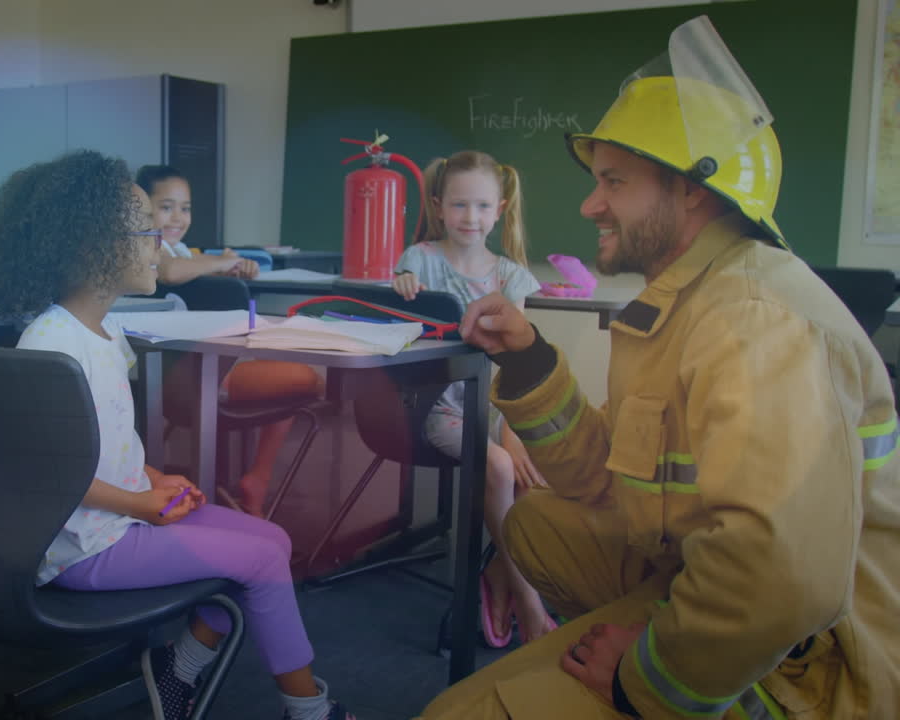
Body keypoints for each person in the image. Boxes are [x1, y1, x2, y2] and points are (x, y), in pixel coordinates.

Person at [420, 16, 900, 719]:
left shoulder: (754, 323)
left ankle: (675, 668)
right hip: (716, 582)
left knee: (456, 715)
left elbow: (783, 582)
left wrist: (638, 678)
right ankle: (665, 631)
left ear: (693, 191)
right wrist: (526, 360)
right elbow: (595, 474)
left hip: (816, 663)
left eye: (613, 180)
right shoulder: (683, 303)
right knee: (535, 524)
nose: (589, 204)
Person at [0, 150, 353, 720]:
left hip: (116, 519)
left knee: (270, 541)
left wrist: (151, 478)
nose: (160, 240)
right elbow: (45, 473)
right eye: (145, 229)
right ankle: (308, 710)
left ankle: (177, 671)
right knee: (260, 562)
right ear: (91, 246)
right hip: (83, 548)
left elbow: (102, 446)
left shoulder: (99, 332)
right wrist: (136, 500)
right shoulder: (52, 345)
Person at [392, 150, 554, 647]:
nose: (471, 217)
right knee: (501, 469)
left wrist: (516, 433)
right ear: (439, 207)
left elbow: (514, 363)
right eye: (460, 206)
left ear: (500, 209)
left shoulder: (510, 278)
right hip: (436, 407)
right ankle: (529, 603)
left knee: (533, 474)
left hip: (492, 406)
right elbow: (398, 328)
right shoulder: (418, 260)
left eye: (482, 207)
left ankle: (499, 579)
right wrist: (399, 286)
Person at [137, 165, 322, 517]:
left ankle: (253, 477)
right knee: (309, 380)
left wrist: (226, 263)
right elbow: (170, 272)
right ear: (144, 210)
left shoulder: (183, 253)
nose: (178, 217)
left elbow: (187, 263)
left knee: (286, 369)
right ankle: (258, 477)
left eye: (186, 208)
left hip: (192, 379)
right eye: (166, 207)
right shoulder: (149, 250)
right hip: (193, 384)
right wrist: (223, 261)